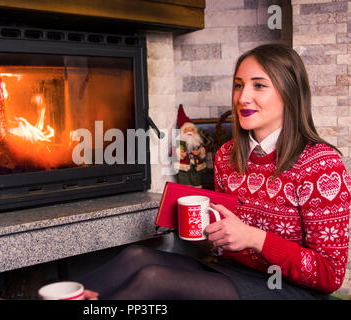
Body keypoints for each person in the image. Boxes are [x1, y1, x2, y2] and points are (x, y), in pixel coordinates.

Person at [75, 43, 351, 300]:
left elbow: (330, 274)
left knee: (154, 278)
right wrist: (208, 236)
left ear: (290, 94)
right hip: (233, 272)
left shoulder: (321, 165)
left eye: (259, 86)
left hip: (289, 288)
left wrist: (254, 238)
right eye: (239, 85)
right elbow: (221, 244)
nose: (243, 98)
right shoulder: (226, 155)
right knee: (136, 256)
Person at [175, 105, 207, 187]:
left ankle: (196, 193)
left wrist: (200, 151)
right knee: (184, 182)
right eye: (187, 129)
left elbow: (204, 150)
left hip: (196, 167)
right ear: (182, 131)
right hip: (184, 168)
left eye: (192, 129)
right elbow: (173, 152)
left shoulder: (197, 142)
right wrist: (180, 154)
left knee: (196, 182)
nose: (190, 131)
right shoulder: (180, 142)